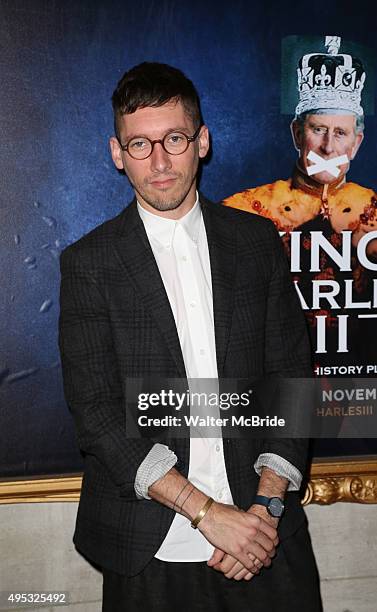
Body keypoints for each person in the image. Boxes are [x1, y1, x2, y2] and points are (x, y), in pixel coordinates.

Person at [58, 62, 321, 611]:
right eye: (139, 145)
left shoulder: (254, 241)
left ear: (201, 141)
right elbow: (98, 415)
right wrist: (209, 514)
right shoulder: (90, 264)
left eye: (174, 138)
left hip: (266, 541)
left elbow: (292, 381)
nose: (158, 161)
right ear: (116, 152)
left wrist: (265, 511)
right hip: (149, 554)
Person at [224, 36, 377, 364]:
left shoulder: (374, 212)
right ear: (297, 133)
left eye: (341, 133)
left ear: (357, 143)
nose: (328, 147)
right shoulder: (244, 210)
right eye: (318, 130)